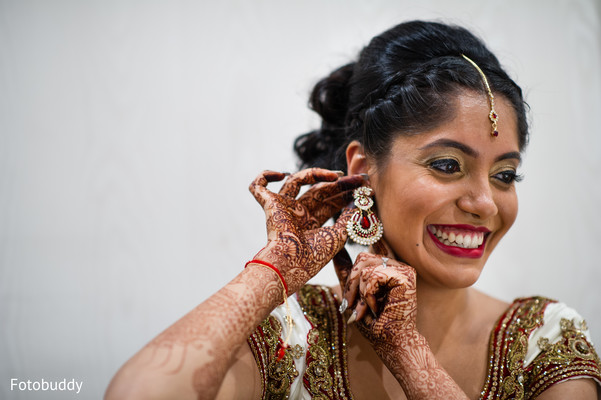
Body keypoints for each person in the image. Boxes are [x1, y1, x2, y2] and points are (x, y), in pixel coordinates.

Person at [105, 20, 601, 399]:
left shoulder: (542, 338)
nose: (484, 203)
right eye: (448, 165)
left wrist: (411, 358)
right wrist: (275, 267)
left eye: (505, 175)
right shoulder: (294, 334)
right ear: (363, 170)